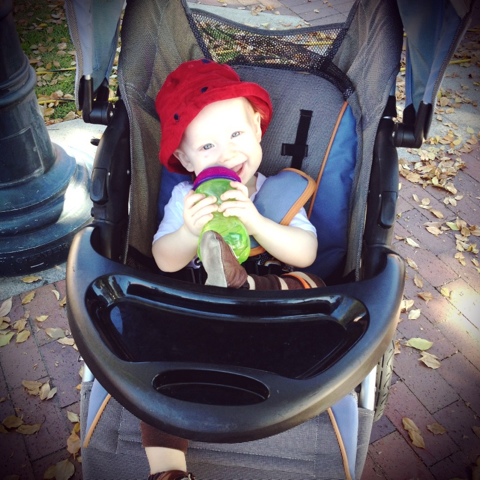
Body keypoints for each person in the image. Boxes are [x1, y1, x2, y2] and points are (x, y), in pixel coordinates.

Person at [143, 58, 325, 480]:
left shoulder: (276, 191)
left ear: (258, 129)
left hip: (274, 311)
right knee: (157, 366)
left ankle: (247, 285)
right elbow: (164, 260)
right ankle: (168, 471)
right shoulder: (187, 200)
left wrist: (257, 222)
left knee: (313, 285)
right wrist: (189, 232)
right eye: (207, 147)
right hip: (203, 315)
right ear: (186, 160)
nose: (226, 153)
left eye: (236, 135)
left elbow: (306, 253)